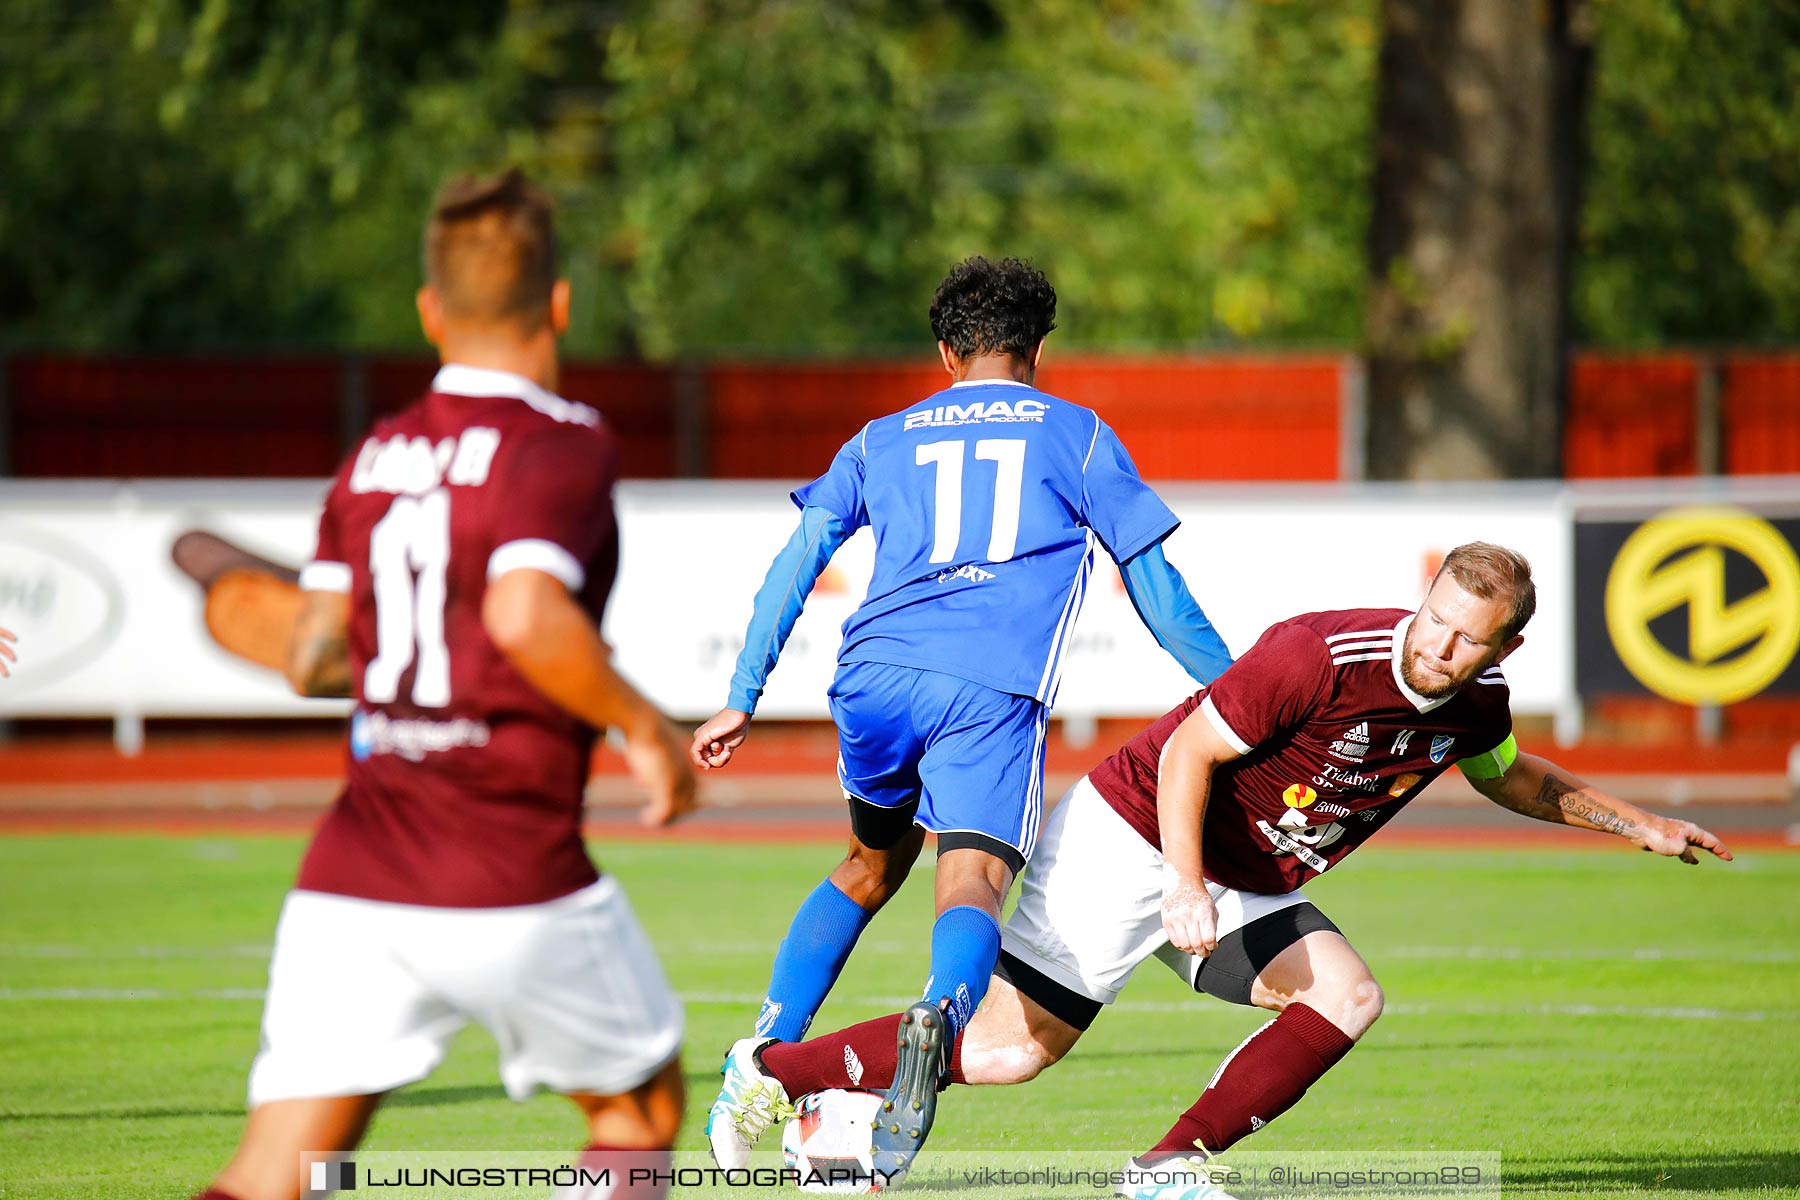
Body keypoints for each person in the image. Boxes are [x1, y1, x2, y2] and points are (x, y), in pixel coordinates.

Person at [717, 543, 1732, 1199]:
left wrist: (1635, 823)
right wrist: (1184, 884)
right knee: (1010, 1055)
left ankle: (1166, 1168)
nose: (1440, 650)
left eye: (1469, 642)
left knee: (1349, 994)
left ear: (1504, 644)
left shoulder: (1480, 705)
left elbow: (1510, 778)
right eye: (1434, 623)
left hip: (1238, 877)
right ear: (1419, 603)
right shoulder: (1317, 657)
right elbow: (1187, 756)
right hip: (1130, 838)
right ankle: (770, 1072)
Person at [189, 170, 696, 1200]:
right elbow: (521, 613)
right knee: (638, 1112)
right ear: (560, 302)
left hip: (351, 876)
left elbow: (316, 657)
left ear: (429, 313)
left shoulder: (373, 458)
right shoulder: (564, 443)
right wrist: (646, 728)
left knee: (276, 1171)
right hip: (505, 862)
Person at [694, 256, 1233, 1180]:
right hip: (985, 689)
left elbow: (798, 559)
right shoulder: (1079, 435)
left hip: (871, 678)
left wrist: (742, 691)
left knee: (870, 864)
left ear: (946, 352)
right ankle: (937, 1021)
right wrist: (1239, 695)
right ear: (1037, 347)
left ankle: (758, 1057)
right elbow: (1155, 584)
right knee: (972, 879)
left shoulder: (881, 436)